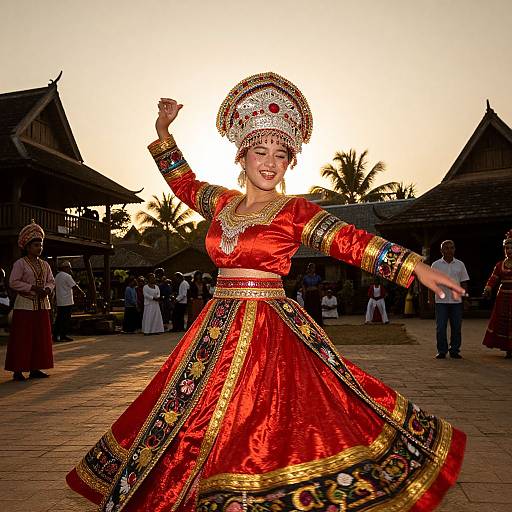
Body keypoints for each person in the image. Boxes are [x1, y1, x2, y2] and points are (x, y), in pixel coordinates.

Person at [67, 72, 466, 511]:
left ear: (291, 161)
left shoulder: (295, 210)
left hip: (268, 328)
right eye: (261, 151)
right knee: (190, 419)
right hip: (215, 327)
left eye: (281, 153)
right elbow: (183, 184)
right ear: (242, 155)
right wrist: (163, 133)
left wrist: (416, 268)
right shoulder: (221, 203)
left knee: (257, 425)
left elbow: (351, 241)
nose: (271, 162)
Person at [4, 222, 55, 381]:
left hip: (41, 305)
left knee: (40, 338)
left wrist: (47, 289)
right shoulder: (20, 264)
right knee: (22, 339)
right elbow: (13, 282)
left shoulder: (45, 265)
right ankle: (18, 370)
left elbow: (51, 281)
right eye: (35, 245)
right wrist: (32, 287)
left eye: (40, 245)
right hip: (25, 306)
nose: (39, 248)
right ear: (27, 247)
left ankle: (35, 368)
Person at [431, 240, 469, 359]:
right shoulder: (435, 265)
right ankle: (442, 350)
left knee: (456, 327)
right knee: (441, 327)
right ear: (441, 250)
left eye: (451, 248)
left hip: (456, 302)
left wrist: (466, 299)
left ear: (454, 249)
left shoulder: (460, 264)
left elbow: (463, 282)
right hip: (440, 301)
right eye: (446, 248)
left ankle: (454, 350)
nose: (449, 250)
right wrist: (430, 299)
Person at [482, 229, 512, 358]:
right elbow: (493, 278)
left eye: (511, 248)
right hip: (503, 296)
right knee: (503, 322)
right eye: (506, 248)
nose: (509, 250)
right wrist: (488, 288)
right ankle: (508, 349)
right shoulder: (500, 265)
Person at [53, 260, 85, 342]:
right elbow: (74, 286)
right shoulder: (67, 276)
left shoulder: (57, 276)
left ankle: (56, 335)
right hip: (67, 301)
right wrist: (82, 293)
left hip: (60, 301)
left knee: (59, 319)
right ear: (66, 268)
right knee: (65, 319)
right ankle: (63, 335)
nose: (70, 270)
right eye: (69, 268)